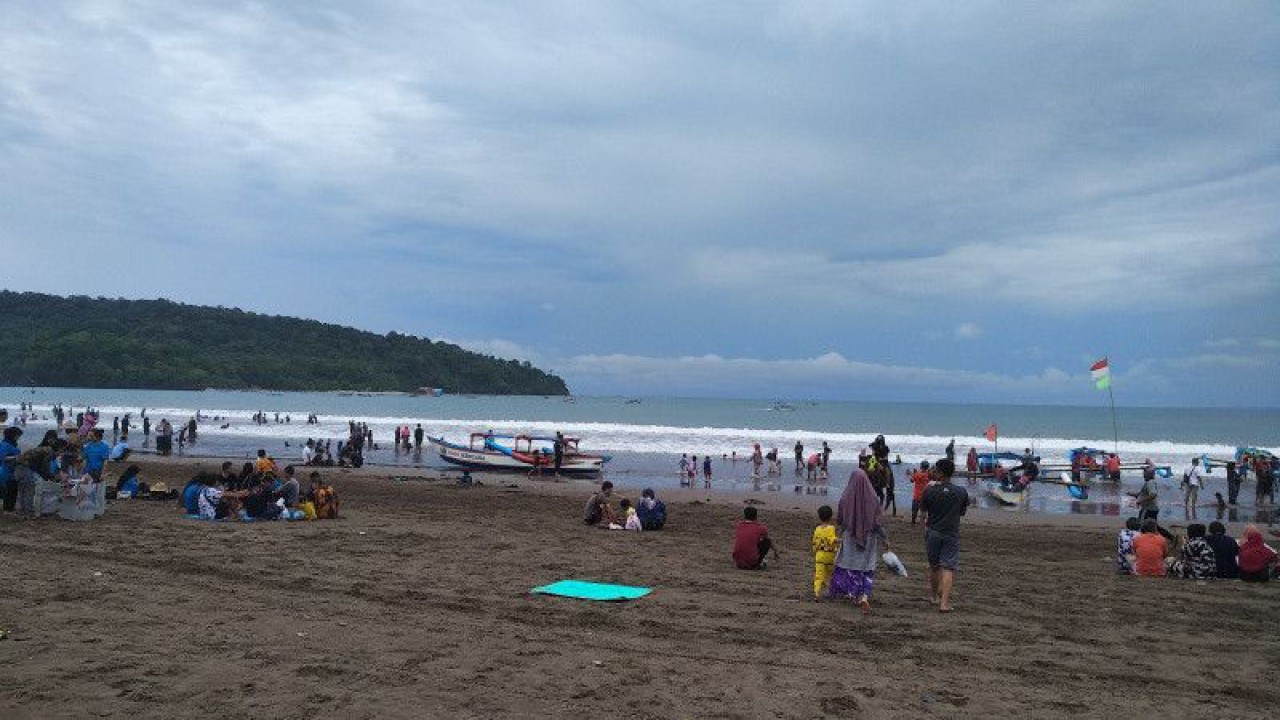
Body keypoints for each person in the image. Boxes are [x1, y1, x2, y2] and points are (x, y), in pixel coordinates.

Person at [830, 469, 887, 614]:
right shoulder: (873, 498)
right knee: (867, 566)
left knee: (851, 565)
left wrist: (839, 534)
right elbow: (878, 523)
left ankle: (853, 594)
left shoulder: (845, 498)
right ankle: (864, 596)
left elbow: (841, 520)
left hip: (850, 536)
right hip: (869, 538)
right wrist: (884, 539)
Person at [921, 458, 967, 611]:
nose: (934, 472)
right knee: (948, 567)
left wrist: (924, 529)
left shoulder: (929, 490)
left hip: (933, 531)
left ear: (940, 473)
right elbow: (962, 512)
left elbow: (923, 513)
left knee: (934, 567)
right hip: (951, 532)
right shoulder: (961, 491)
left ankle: (934, 597)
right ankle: (944, 604)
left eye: (936, 470)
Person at [811, 505, 838, 601]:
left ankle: (817, 593)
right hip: (829, 555)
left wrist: (815, 551)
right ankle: (831, 591)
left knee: (818, 575)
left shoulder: (817, 529)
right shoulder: (831, 528)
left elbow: (815, 542)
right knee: (829, 575)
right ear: (831, 517)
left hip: (819, 555)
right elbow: (832, 539)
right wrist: (838, 541)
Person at [0, 426, 22, 512]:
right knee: (9, 492)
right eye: (17, 435)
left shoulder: (10, 444)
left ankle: (10, 509)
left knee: (12, 492)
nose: (18, 438)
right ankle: (8, 510)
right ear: (12, 435)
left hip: (12, 472)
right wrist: (16, 457)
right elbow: (3, 458)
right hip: (7, 472)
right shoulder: (5, 445)